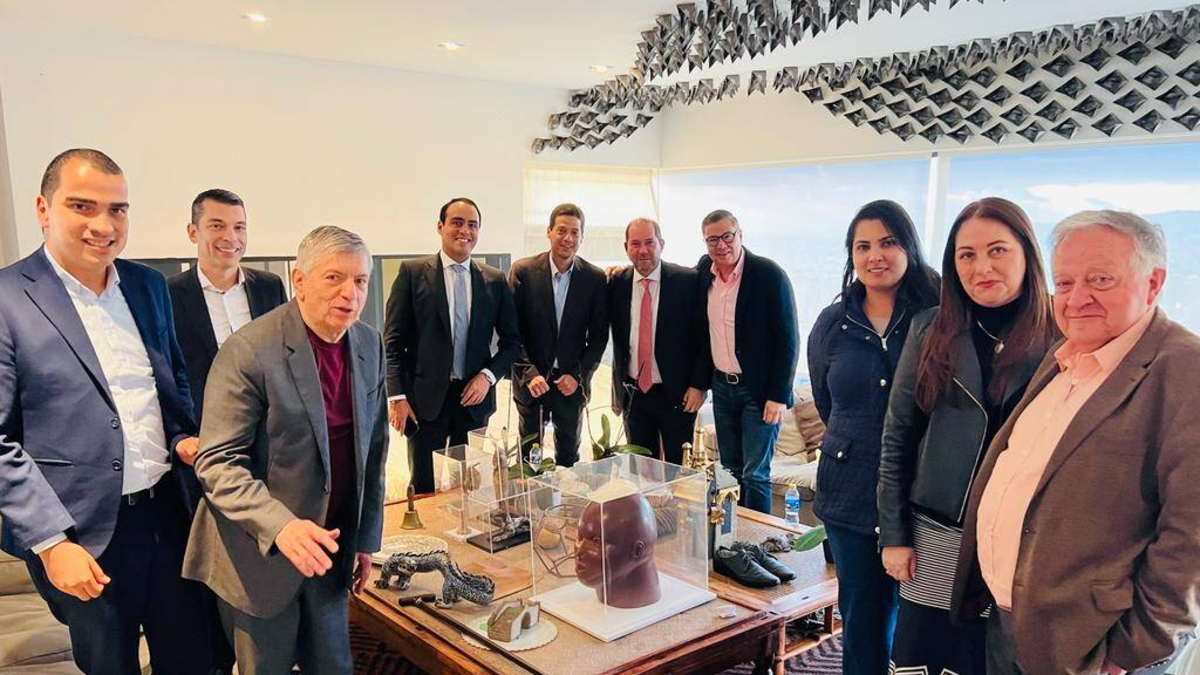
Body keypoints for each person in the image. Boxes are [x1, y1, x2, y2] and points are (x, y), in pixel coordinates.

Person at [954, 211, 1200, 675]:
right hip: (1012, 619)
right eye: (1065, 283)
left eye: (1100, 279)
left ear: (1153, 283)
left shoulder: (1186, 369)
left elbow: (1191, 535)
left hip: (1092, 644)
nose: (1077, 298)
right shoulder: (1065, 352)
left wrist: (1134, 649)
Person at [0, 148, 212, 675]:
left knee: (197, 657)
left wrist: (182, 436)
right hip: (83, 534)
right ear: (43, 209)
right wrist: (50, 543)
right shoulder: (7, 299)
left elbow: (172, 381)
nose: (104, 224)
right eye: (82, 206)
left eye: (117, 209)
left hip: (171, 514)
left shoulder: (148, 286)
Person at [183, 226, 389, 675]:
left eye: (360, 280)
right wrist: (281, 527)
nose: (350, 293)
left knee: (333, 666)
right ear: (299, 280)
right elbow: (217, 462)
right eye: (334, 278)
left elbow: (374, 450)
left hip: (330, 549)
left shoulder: (369, 344)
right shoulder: (250, 349)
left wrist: (365, 538)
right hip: (258, 558)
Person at [878, 197, 1057, 675]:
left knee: (990, 660)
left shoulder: (1062, 334)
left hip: (1019, 543)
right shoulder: (930, 329)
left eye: (998, 250)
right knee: (923, 658)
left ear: (1027, 254)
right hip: (937, 531)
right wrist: (894, 535)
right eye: (967, 255)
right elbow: (898, 437)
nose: (982, 267)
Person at [807, 200, 940, 675]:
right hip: (849, 493)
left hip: (924, 495)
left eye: (888, 242)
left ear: (909, 248)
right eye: (862, 246)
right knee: (863, 620)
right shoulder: (832, 322)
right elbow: (827, 402)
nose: (875, 255)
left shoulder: (939, 317)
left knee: (923, 625)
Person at [168, 188, 288, 673]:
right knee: (212, 567)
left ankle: (264, 647)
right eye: (217, 226)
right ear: (193, 231)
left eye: (239, 227)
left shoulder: (269, 287)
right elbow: (162, 375)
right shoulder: (167, 294)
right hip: (201, 452)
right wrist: (180, 437)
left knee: (262, 559)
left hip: (267, 450)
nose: (230, 237)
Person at [384, 198, 521, 493]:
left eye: (472, 225)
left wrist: (487, 377)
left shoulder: (494, 280)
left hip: (473, 402)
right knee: (423, 486)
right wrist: (397, 397)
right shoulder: (412, 273)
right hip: (424, 402)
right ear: (440, 226)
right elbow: (392, 343)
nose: (465, 231)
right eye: (457, 223)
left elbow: (512, 343)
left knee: (470, 488)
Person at [697, 209, 798, 513]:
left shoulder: (769, 274)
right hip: (721, 387)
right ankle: (731, 535)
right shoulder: (704, 272)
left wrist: (779, 395)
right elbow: (673, 281)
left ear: (740, 235)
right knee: (730, 471)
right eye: (712, 240)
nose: (721, 245)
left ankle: (758, 539)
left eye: (727, 236)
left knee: (756, 475)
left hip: (760, 392)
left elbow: (788, 339)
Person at [508, 203, 608, 467]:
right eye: (562, 230)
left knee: (569, 461)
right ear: (549, 231)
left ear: (582, 236)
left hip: (570, 386)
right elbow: (511, 333)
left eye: (575, 232)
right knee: (529, 460)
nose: (568, 238)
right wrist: (529, 374)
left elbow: (598, 338)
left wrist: (577, 376)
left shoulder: (594, 278)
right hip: (532, 385)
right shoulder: (523, 271)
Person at [608, 217, 710, 464]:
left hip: (677, 394)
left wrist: (699, 385)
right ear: (626, 248)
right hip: (633, 394)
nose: (643, 250)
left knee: (680, 470)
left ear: (661, 244)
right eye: (635, 244)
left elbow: (704, 338)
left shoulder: (687, 280)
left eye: (649, 242)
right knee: (640, 470)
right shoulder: (616, 283)